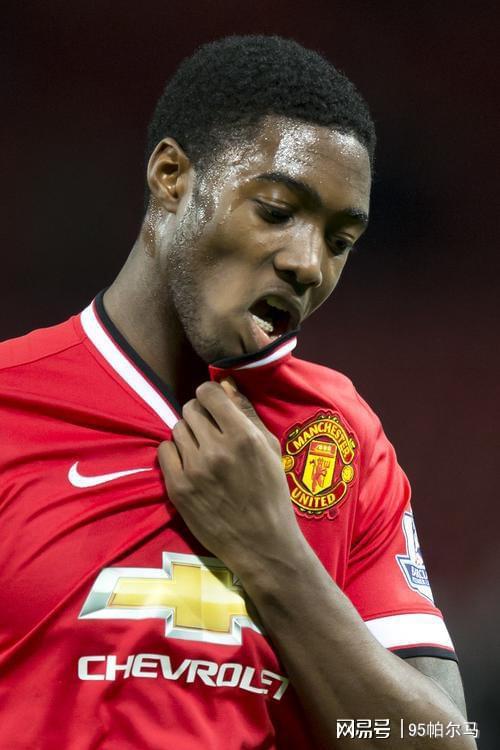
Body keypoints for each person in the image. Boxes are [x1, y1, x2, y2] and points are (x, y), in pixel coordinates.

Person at [0, 36, 476, 749]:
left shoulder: (337, 439)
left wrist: (274, 555)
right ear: (171, 177)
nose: (309, 264)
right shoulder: (12, 405)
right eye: (277, 211)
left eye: (340, 241)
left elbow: (438, 742)